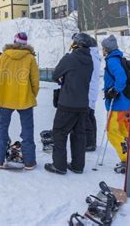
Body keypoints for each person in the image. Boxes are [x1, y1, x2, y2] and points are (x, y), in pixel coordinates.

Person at [44, 33, 93, 175]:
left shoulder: (70, 58)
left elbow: (55, 75)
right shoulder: (89, 60)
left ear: (76, 44)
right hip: (83, 103)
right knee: (79, 134)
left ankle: (59, 165)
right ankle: (78, 165)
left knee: (59, 132)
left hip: (68, 102)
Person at [0, 32, 39, 170]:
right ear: (25, 44)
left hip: (5, 98)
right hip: (25, 99)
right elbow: (35, 81)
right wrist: (31, 95)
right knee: (27, 129)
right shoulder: (30, 58)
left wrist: (1, 91)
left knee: (2, 128)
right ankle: (29, 161)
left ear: (14, 42)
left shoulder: (4, 56)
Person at [101, 35, 130, 174]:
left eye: (103, 48)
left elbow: (121, 78)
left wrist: (114, 91)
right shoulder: (117, 59)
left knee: (112, 132)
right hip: (124, 103)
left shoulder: (112, 61)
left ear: (107, 49)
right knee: (124, 131)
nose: (102, 50)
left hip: (117, 104)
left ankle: (127, 159)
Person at [86, 36, 101, 152]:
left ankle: (90, 142)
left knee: (88, 116)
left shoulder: (90, 56)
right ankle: (91, 141)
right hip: (92, 89)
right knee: (90, 115)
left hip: (89, 89)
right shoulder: (94, 56)